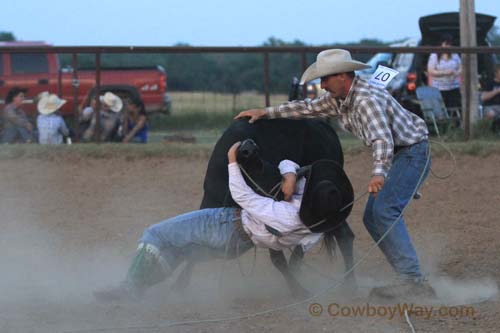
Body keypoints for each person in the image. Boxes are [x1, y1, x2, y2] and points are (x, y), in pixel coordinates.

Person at [235, 49, 433, 298]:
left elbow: (382, 138)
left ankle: (412, 280)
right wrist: (265, 112)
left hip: (412, 153)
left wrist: (379, 173)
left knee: (383, 212)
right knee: (373, 217)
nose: (322, 84)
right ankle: (409, 277)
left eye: (325, 79)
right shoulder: (341, 99)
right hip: (403, 154)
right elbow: (306, 108)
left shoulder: (365, 100)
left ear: (342, 76)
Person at [94, 142, 354, 301]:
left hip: (223, 224)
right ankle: (139, 287)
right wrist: (290, 175)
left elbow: (243, 197)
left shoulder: (285, 214)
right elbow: (290, 163)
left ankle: (130, 287)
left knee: (155, 234)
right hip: (241, 244)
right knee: (183, 251)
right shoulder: (314, 225)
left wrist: (231, 160)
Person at [426, 34, 462, 110]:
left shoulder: (455, 55)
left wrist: (455, 73)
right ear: (441, 44)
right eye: (446, 44)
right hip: (439, 88)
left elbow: (461, 67)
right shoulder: (434, 56)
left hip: (454, 88)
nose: (448, 46)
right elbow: (430, 71)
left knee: (455, 109)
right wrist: (445, 73)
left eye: (449, 44)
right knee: (441, 110)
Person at [481, 64, 500, 130]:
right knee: (491, 114)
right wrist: (497, 91)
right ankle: (488, 132)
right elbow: (483, 97)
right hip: (490, 107)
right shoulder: (489, 83)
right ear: (496, 73)